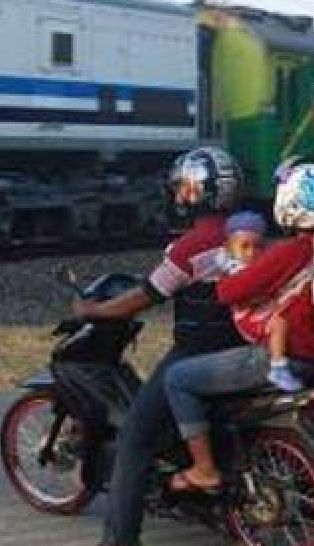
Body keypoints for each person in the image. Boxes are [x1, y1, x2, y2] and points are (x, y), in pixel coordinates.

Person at [73, 146, 245, 546]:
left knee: (135, 434)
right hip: (243, 348)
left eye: (184, 188)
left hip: (197, 352)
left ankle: (119, 539)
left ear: (199, 192)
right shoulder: (250, 235)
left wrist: (96, 311)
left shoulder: (190, 246)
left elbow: (147, 295)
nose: (179, 196)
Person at [159, 162, 314, 494]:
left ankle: (204, 469)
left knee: (177, 378)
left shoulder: (293, 250)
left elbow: (228, 293)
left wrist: (228, 267)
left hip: (286, 357)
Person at [219, 211, 302, 392]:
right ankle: (278, 367)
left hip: (261, 310)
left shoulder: (258, 265)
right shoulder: (235, 270)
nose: (252, 252)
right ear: (229, 249)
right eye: (245, 247)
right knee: (279, 323)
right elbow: (245, 294)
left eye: (258, 247)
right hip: (251, 317)